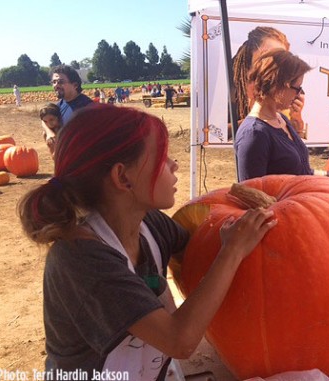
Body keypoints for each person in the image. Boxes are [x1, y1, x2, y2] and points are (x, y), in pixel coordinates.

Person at [18, 104, 277, 378]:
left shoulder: (149, 224)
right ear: (122, 177)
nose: (174, 164)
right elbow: (180, 341)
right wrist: (232, 251)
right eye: (162, 157)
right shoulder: (80, 258)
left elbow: (200, 253)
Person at [234, 49, 329, 182]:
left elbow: (300, 171)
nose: (300, 94)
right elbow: (252, 194)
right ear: (277, 85)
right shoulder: (254, 133)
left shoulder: (281, 119)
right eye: (297, 88)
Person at [232, 26, 307, 139]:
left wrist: (297, 123)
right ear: (250, 54)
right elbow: (217, 132)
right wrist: (263, 120)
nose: (275, 63)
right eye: (269, 55)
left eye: (282, 57)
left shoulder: (292, 90)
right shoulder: (228, 87)